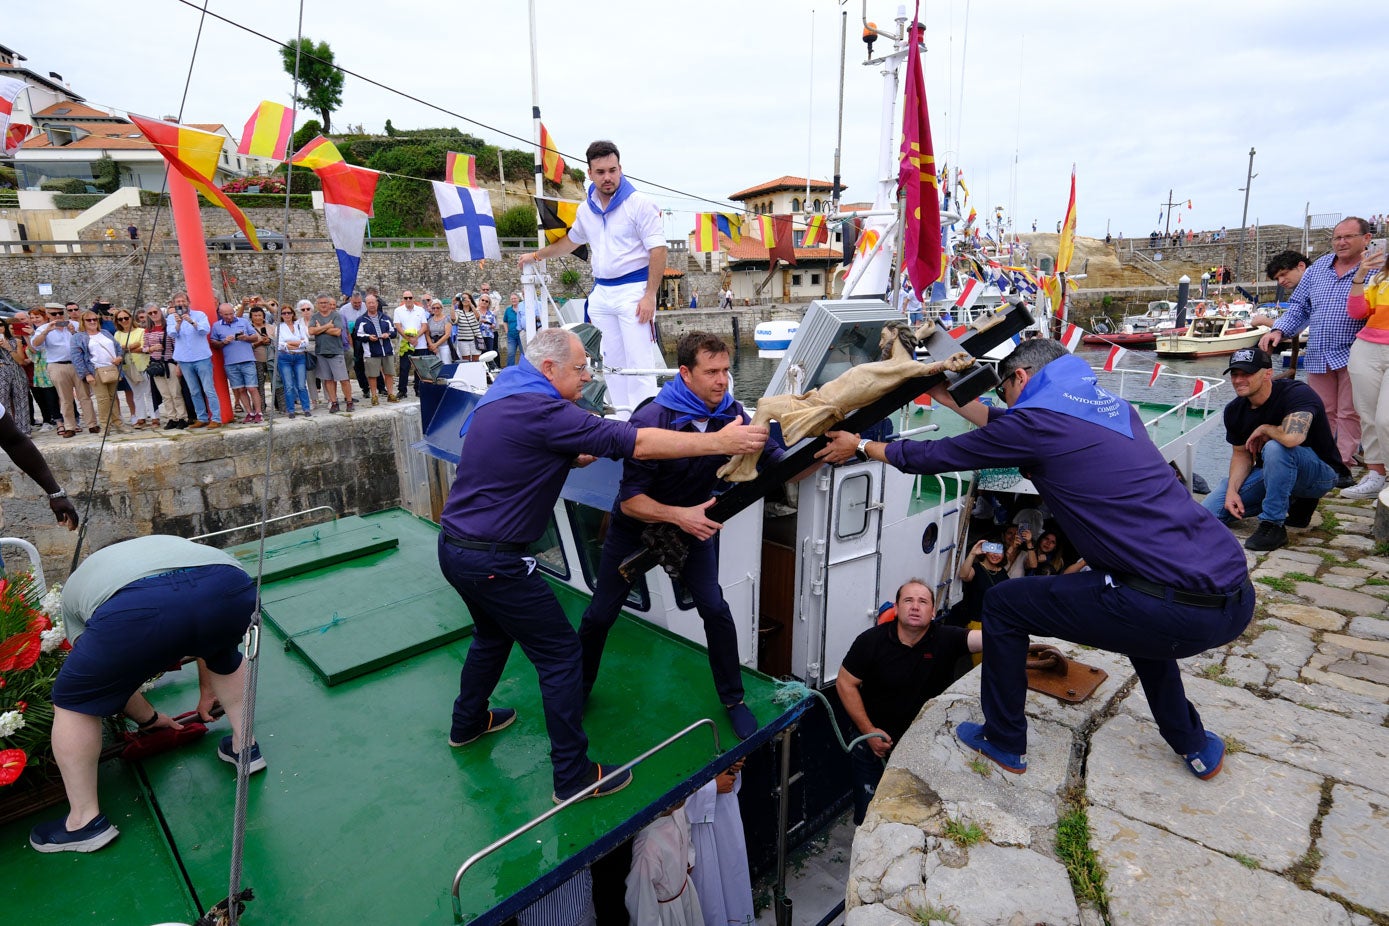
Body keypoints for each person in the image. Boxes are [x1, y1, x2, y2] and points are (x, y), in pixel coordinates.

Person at [818, 338, 1253, 782]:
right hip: (1233, 597)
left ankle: (1004, 739)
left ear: (1020, 376)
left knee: (1005, 605)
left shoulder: (1038, 424)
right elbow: (1012, 427)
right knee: (1144, 634)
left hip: (1172, 606)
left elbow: (941, 454)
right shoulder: (1114, 408)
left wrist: (863, 446)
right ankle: (1195, 744)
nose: (1005, 399)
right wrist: (951, 398)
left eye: (1004, 389)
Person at [438, 328, 769, 803]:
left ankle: (468, 722)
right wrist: (721, 441)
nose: (588, 375)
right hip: (496, 560)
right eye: (580, 367)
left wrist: (571, 457)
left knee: (491, 635)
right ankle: (572, 777)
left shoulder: (503, 394)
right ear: (549, 369)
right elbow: (637, 444)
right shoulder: (546, 409)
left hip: (455, 549)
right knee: (560, 655)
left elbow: (521, 452)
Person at [577, 332, 783, 741]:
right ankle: (577, 689)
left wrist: (825, 445)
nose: (722, 381)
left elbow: (774, 458)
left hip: (692, 526)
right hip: (637, 526)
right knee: (600, 614)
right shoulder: (651, 420)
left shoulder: (733, 414)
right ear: (685, 373)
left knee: (715, 609)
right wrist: (681, 517)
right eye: (712, 372)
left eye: (726, 370)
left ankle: (733, 700)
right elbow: (631, 501)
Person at [28, 536, 262, 853]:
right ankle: (246, 748)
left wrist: (148, 718)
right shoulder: (167, 545)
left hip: (136, 607)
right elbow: (209, 636)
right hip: (230, 584)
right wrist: (201, 691)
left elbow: (108, 681)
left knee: (74, 702)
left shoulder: (82, 586)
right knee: (225, 653)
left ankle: (84, 822)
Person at [519, 140, 666, 417]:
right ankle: (624, 420)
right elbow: (570, 243)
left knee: (639, 363)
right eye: (600, 172)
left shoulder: (640, 204)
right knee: (611, 362)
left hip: (633, 291)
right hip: (602, 293)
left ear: (620, 168)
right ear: (590, 173)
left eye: (612, 170)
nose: (607, 177)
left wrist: (649, 295)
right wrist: (536, 256)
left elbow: (658, 249)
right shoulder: (586, 210)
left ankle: (646, 424)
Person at [837, 579, 980, 824]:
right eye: (908, 600)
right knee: (869, 816)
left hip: (924, 747)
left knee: (916, 813)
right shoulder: (871, 641)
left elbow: (988, 639)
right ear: (897, 608)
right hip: (874, 745)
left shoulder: (946, 638)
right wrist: (868, 732)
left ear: (933, 612)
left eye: (923, 601)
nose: (915, 606)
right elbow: (844, 682)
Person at [1201, 348, 1345, 550]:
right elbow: (1241, 455)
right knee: (1207, 513)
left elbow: (1293, 438)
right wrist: (1232, 492)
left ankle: (1272, 525)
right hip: (1272, 472)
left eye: (1247, 374)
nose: (1238, 380)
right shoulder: (1235, 410)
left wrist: (1266, 428)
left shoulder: (1297, 394)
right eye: (1235, 374)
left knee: (1276, 447)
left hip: (1320, 473)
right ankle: (1295, 501)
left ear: (1268, 373)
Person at [1260, 218, 1373, 474]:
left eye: (1348, 237)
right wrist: (1279, 330)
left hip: (1355, 351)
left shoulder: (1375, 269)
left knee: (1349, 411)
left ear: (1366, 239)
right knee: (1321, 410)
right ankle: (1322, 459)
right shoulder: (1319, 267)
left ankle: (1342, 464)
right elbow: (1299, 306)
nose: (1341, 242)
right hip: (1320, 352)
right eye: (1337, 238)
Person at [1344, 246, 1389, 500]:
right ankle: (1375, 475)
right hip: (1367, 348)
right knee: (1368, 415)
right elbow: (1357, 312)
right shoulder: (1379, 278)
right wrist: (1360, 275)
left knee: (1386, 419)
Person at [686, 760, 753, 926]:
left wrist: (734, 763)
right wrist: (712, 787)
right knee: (709, 888)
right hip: (699, 828)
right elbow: (672, 796)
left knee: (734, 872)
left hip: (726, 812)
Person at [626, 799, 703, 925]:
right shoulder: (647, 844)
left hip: (685, 895)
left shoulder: (677, 807)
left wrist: (687, 859)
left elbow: (685, 827)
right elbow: (642, 903)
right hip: (667, 913)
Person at [30, 303, 95, 438]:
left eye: (60, 313)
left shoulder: (74, 325)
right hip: (57, 364)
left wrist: (73, 332)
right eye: (54, 314)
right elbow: (35, 345)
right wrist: (47, 331)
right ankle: (70, 426)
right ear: (48, 315)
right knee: (65, 398)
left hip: (77, 364)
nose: (58, 316)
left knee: (85, 396)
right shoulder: (43, 328)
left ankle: (92, 424)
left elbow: (86, 342)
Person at [169, 293, 220, 429]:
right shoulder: (171, 318)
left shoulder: (199, 315)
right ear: (174, 304)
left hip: (201, 357)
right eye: (178, 301)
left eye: (183, 301)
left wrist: (192, 322)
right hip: (184, 359)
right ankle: (202, 418)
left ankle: (216, 418)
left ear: (188, 302)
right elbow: (172, 334)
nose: (181, 303)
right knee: (194, 391)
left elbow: (205, 330)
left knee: (209, 389)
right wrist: (178, 324)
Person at [73, 310, 126, 434]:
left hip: (111, 368)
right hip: (95, 370)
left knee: (113, 398)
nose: (92, 322)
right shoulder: (78, 337)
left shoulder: (105, 333)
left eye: (95, 319)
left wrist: (119, 357)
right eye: (89, 320)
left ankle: (118, 423)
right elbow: (77, 358)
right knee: (103, 400)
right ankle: (105, 426)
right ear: (83, 322)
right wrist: (87, 374)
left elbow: (118, 347)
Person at [211, 303, 262, 424]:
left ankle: (258, 412)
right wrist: (223, 342)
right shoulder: (216, 326)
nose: (230, 316)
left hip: (247, 359)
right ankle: (249, 412)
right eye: (226, 314)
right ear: (220, 314)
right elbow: (213, 343)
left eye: (231, 313)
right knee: (240, 389)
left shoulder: (243, 321)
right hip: (230, 362)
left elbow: (255, 337)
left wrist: (246, 338)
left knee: (252, 387)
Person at [143, 306, 186, 430]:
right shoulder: (147, 331)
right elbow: (144, 348)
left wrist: (178, 364)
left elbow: (176, 346)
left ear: (160, 313)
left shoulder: (169, 328)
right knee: (165, 394)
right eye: (150, 313)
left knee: (175, 392)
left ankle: (182, 417)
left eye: (155, 312)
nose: (153, 314)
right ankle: (172, 417)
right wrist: (152, 349)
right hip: (156, 365)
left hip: (169, 362)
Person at [309, 294, 353, 413]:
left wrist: (321, 328)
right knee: (328, 380)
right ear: (317, 305)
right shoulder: (314, 317)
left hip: (336, 351)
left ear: (329, 304)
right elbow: (311, 331)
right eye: (321, 303)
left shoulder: (336, 315)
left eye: (325, 303)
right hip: (321, 352)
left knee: (343, 379)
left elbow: (338, 332)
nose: (323, 305)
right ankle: (334, 402)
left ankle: (349, 401)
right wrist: (328, 326)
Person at [111, 309, 153, 428]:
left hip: (143, 364)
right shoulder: (117, 334)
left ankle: (155, 417)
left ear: (131, 318)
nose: (124, 320)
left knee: (149, 391)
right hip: (128, 366)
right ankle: (141, 417)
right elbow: (117, 349)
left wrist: (126, 348)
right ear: (117, 321)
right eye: (120, 319)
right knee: (137, 393)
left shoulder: (141, 331)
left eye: (126, 318)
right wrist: (133, 346)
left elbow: (143, 345)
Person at [355, 295, 397, 405]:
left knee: (389, 373)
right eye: (369, 303)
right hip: (371, 351)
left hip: (387, 350)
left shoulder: (386, 318)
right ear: (366, 305)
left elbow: (394, 332)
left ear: (377, 303)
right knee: (372, 375)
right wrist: (368, 337)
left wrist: (387, 334)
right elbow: (358, 335)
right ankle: (374, 396)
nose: (372, 305)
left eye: (373, 302)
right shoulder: (361, 320)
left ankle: (390, 394)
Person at [276, 303, 313, 418]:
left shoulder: (299, 326)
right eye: (284, 313)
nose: (287, 315)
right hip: (285, 357)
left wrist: (290, 343)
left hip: (299, 357)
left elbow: (305, 342)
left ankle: (306, 408)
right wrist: (297, 343)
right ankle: (291, 410)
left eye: (289, 313)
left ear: (293, 314)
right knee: (289, 385)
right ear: (281, 315)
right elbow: (279, 344)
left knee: (301, 384)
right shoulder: (279, 327)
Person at [393, 290, 431, 398]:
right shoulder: (398, 311)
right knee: (404, 368)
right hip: (406, 344)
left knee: (419, 368)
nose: (408, 300)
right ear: (403, 299)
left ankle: (418, 389)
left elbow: (424, 325)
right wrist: (409, 339)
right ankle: (402, 390)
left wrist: (416, 337)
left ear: (413, 298)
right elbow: (398, 326)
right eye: (406, 298)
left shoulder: (420, 310)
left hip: (420, 343)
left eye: (410, 297)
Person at [0, 319, 33, 436]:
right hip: (1, 374)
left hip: (17, 372)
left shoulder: (16, 341)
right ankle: (6, 432)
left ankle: (24, 431)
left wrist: (8, 348)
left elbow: (20, 361)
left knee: (21, 401)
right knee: (2, 403)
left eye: (1, 325)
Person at [426, 298, 455, 365]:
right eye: (434, 308)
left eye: (438, 308)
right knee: (436, 366)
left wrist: (436, 345)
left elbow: (447, 334)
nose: (435, 309)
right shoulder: (430, 321)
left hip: (444, 345)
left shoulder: (446, 319)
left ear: (441, 308)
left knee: (446, 364)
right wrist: (432, 345)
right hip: (434, 346)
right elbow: (427, 334)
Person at [455, 293, 483, 363]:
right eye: (463, 298)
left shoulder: (476, 310)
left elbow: (478, 318)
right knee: (465, 361)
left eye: (466, 298)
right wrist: (452, 305)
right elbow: (454, 320)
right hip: (463, 339)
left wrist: (471, 305)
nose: (464, 300)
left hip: (476, 338)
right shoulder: (458, 311)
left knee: (476, 360)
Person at [503, 292, 523, 366]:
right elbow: (505, 321)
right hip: (511, 335)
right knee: (510, 353)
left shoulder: (522, 308)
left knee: (523, 353)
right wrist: (507, 331)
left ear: (518, 299)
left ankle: (523, 368)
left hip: (521, 334)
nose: (513, 300)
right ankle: (510, 369)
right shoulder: (508, 310)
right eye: (512, 299)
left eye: (515, 298)